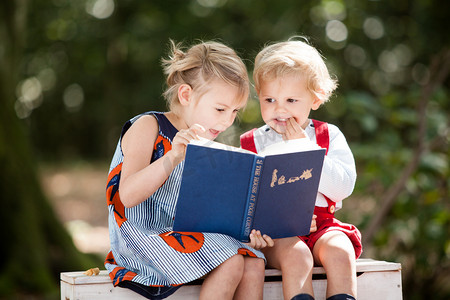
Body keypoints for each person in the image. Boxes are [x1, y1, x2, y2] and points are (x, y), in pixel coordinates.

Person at [104, 40, 274, 300]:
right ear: (185, 95)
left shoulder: (205, 139)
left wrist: (248, 229)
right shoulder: (148, 126)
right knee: (231, 261)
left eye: (235, 112)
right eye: (220, 109)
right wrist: (171, 158)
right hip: (142, 236)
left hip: (186, 233)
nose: (227, 121)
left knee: (254, 261)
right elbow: (126, 196)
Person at [240, 38, 363, 300]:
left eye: (291, 100)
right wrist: (260, 227)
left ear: (315, 98)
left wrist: (305, 148)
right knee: (298, 256)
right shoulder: (252, 142)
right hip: (276, 234)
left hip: (323, 226)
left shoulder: (328, 135)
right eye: (269, 99)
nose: (279, 109)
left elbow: (343, 187)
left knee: (341, 251)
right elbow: (245, 200)